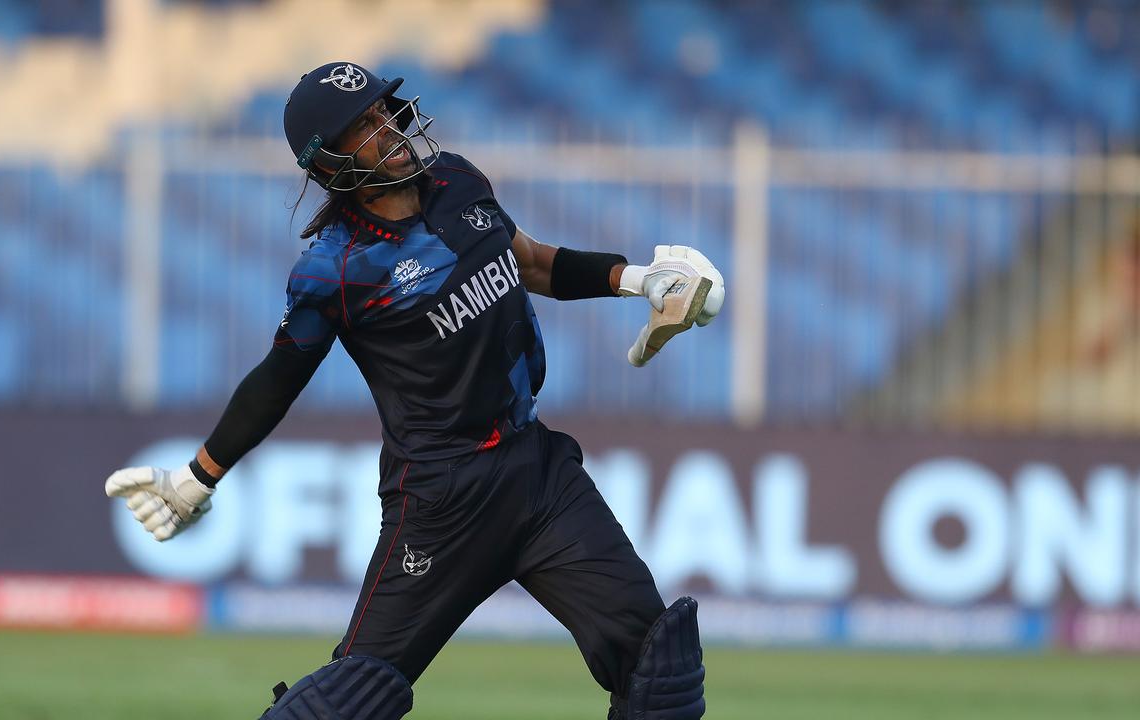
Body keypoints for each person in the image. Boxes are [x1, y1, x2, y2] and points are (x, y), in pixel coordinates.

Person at [105, 61, 723, 720]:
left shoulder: (457, 180)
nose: (389, 130)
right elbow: (277, 379)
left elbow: (535, 262)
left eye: (383, 113)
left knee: (662, 674)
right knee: (348, 701)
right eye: (363, 126)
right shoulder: (334, 270)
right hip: (440, 497)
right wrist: (198, 478)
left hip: (540, 477)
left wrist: (637, 280)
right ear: (329, 162)